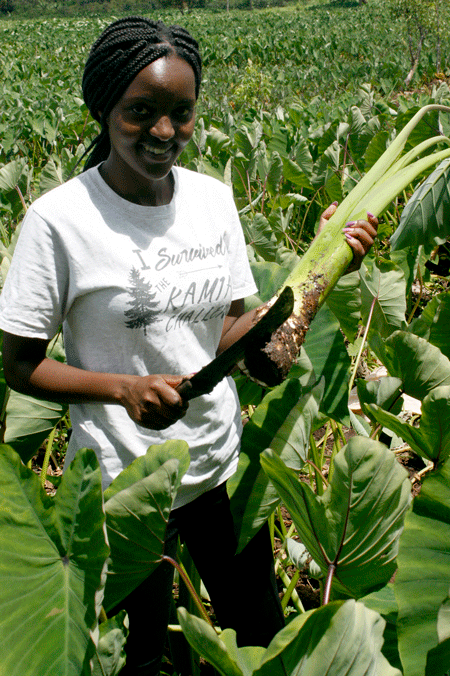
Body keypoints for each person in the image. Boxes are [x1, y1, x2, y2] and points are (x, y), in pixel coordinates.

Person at [0, 16, 378, 675]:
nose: (164, 132)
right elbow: (21, 365)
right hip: (128, 481)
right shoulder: (59, 221)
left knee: (257, 631)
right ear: (103, 108)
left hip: (218, 467)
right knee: (146, 656)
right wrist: (123, 389)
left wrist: (322, 266)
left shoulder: (211, 200)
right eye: (140, 112)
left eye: (182, 112)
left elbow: (226, 332)